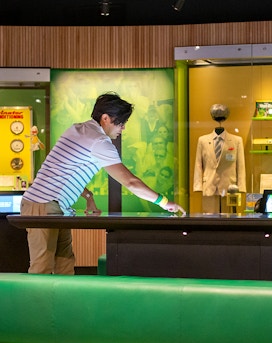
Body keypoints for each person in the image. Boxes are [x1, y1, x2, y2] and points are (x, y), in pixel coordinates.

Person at [21, 92, 186, 275]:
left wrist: (89, 197)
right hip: (43, 204)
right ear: (105, 118)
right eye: (121, 122)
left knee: (64, 265)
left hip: (54, 206)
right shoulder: (99, 141)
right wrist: (164, 202)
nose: (123, 128)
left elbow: (63, 171)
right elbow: (130, 182)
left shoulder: (78, 129)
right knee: (42, 268)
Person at [193, 104, 246, 213]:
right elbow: (198, 164)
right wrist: (198, 186)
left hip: (230, 187)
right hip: (209, 186)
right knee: (209, 218)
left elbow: (241, 166)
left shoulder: (236, 140)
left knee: (230, 217)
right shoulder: (202, 140)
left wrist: (241, 186)